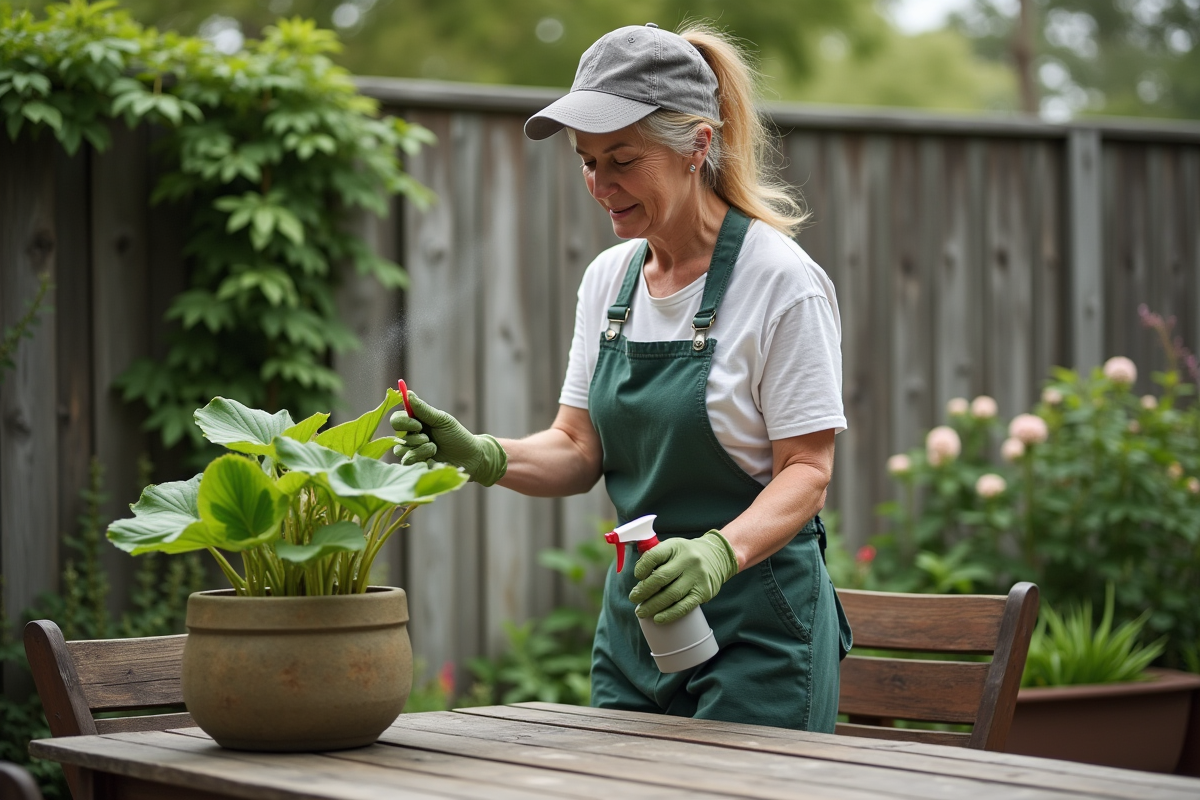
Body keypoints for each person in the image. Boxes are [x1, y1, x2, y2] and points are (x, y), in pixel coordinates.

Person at [391, 22, 852, 731]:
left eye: (622, 160)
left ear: (697, 145)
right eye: (586, 161)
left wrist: (719, 551)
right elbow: (578, 450)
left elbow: (807, 470)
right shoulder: (611, 280)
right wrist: (482, 455)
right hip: (641, 631)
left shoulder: (781, 282)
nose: (600, 185)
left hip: (759, 630)